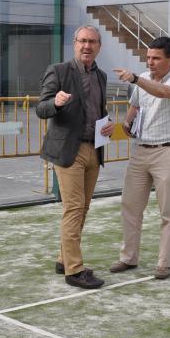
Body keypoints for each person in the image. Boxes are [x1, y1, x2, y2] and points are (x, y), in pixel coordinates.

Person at [36, 25, 115, 289]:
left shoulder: (101, 76)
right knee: (74, 208)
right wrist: (56, 103)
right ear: (74, 43)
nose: (86, 46)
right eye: (82, 41)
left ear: (99, 46)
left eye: (92, 41)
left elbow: (97, 110)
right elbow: (41, 108)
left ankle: (64, 259)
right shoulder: (58, 71)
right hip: (69, 151)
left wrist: (107, 124)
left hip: (94, 148)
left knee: (83, 208)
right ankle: (74, 270)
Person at [110, 37, 170, 280]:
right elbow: (135, 106)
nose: (150, 62)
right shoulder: (144, 78)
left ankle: (164, 264)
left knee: (168, 212)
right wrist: (127, 122)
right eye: (148, 58)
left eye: (156, 58)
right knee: (130, 207)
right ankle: (128, 257)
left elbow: (163, 93)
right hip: (140, 152)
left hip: (166, 152)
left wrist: (136, 79)